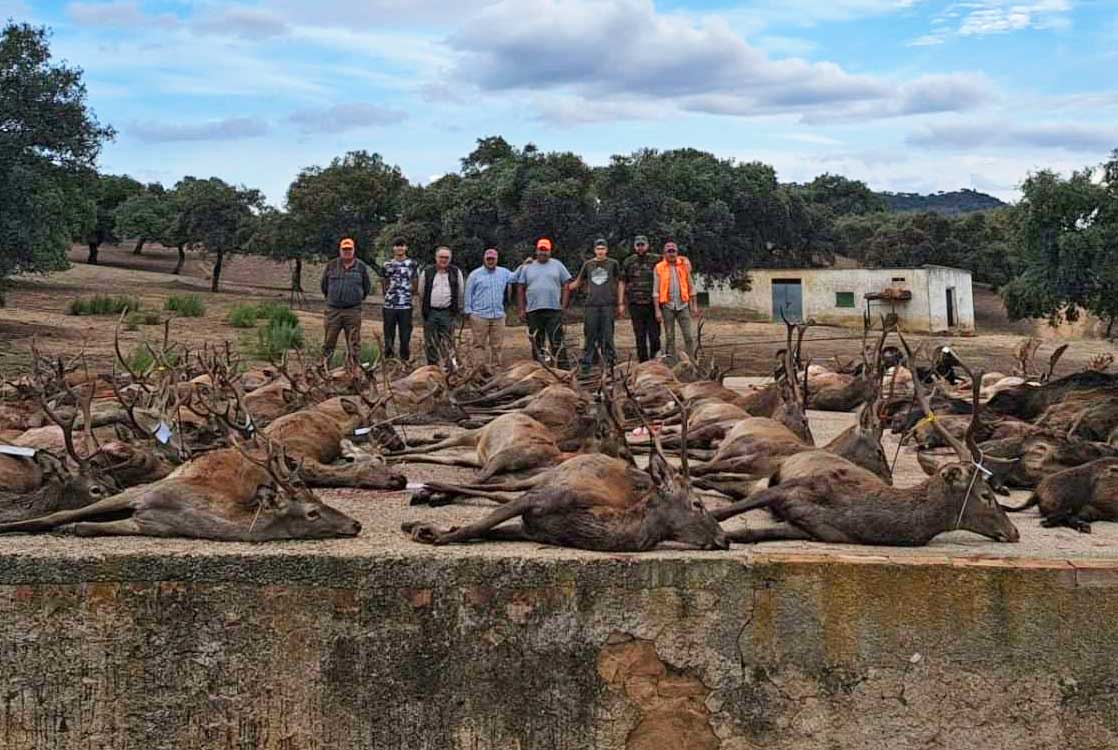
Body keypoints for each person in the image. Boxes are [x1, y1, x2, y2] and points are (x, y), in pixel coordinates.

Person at [514, 237, 571, 368]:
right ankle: (538, 368)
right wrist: (522, 309)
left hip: (554, 309)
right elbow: (520, 287)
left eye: (545, 250)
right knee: (536, 341)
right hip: (533, 310)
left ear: (550, 251)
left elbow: (566, 284)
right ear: (536, 250)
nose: (543, 253)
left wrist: (563, 305)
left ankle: (563, 369)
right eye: (541, 250)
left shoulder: (558, 265)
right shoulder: (527, 268)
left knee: (556, 341)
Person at [570, 238, 621, 374]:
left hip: (607, 304)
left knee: (608, 334)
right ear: (594, 250)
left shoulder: (613, 264)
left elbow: (619, 282)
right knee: (590, 333)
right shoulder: (588, 265)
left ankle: (609, 360)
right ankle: (588, 360)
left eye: (603, 248)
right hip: (591, 304)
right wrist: (564, 287)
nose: (600, 251)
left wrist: (620, 302)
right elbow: (578, 282)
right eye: (598, 249)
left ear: (607, 250)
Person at [320, 237, 372, 364]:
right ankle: (325, 369)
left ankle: (353, 370)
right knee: (329, 342)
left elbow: (367, 287)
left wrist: (356, 299)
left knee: (353, 343)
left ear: (354, 250)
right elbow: (324, 286)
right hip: (333, 311)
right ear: (340, 250)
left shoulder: (361, 267)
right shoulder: (331, 266)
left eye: (349, 249)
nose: (347, 252)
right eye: (344, 249)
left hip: (353, 311)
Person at [416, 246, 465, 365]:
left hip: (448, 312)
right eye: (441, 257)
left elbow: (460, 292)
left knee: (449, 341)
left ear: (450, 259)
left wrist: (458, 310)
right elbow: (421, 292)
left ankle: (450, 367)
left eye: (446, 257)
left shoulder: (455, 272)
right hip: (431, 312)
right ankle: (432, 367)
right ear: (436, 257)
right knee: (431, 342)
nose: (444, 260)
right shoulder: (427, 272)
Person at [464, 248, 513, 366]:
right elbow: (468, 293)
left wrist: (526, 266)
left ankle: (495, 369)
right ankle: (478, 369)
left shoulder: (504, 273)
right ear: (484, 259)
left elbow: (518, 277)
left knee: (497, 345)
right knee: (479, 344)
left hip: (498, 315)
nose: (490, 261)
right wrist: (468, 311)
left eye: (493, 259)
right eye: (488, 259)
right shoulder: (475, 275)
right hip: (479, 315)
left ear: (497, 259)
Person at [653, 241, 700, 362]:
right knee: (669, 337)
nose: (671, 254)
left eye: (673, 251)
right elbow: (656, 290)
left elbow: (691, 286)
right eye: (669, 251)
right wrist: (657, 310)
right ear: (664, 253)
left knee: (689, 336)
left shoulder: (684, 266)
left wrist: (694, 306)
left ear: (677, 253)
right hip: (667, 306)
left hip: (683, 305)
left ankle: (692, 362)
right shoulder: (659, 268)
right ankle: (672, 363)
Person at [619, 235, 661, 362]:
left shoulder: (657, 259)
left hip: (652, 304)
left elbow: (672, 260)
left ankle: (656, 361)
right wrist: (620, 303)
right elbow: (622, 282)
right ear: (634, 246)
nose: (640, 247)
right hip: (635, 304)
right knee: (640, 335)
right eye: (638, 245)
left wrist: (684, 260)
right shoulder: (628, 261)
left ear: (647, 245)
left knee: (654, 335)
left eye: (643, 245)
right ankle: (643, 362)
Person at [380, 237, 418, 362]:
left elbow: (415, 282)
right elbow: (384, 282)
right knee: (389, 335)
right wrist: (388, 294)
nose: (399, 248)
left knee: (405, 335)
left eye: (402, 245)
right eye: (397, 245)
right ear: (393, 248)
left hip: (405, 306)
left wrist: (409, 295)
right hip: (390, 306)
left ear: (406, 247)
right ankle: (389, 360)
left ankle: (404, 361)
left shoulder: (412, 264)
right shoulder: (387, 265)